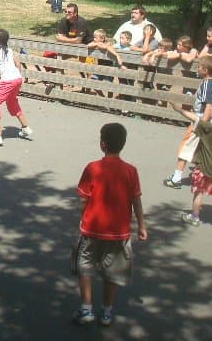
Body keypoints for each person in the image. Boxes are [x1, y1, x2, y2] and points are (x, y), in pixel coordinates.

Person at [72, 123, 147, 326]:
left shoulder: (93, 168)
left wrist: (83, 215)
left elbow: (84, 198)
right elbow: (136, 199)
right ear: (122, 144)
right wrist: (141, 225)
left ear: (102, 144)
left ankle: (86, 308)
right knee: (112, 272)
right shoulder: (131, 171)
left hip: (92, 227)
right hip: (118, 232)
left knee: (85, 266)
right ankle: (106, 311)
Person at [169, 99, 212, 235]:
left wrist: (178, 109)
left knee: (198, 192)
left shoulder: (209, 128)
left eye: (211, 109)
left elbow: (193, 118)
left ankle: (194, 216)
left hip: (204, 167)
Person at [163, 55, 212, 189]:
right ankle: (206, 176)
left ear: (205, 70)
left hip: (200, 120)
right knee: (202, 149)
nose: (197, 69)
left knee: (185, 146)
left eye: (199, 67)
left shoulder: (207, 84)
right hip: (207, 120)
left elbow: (208, 106)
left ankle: (176, 178)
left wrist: (202, 124)